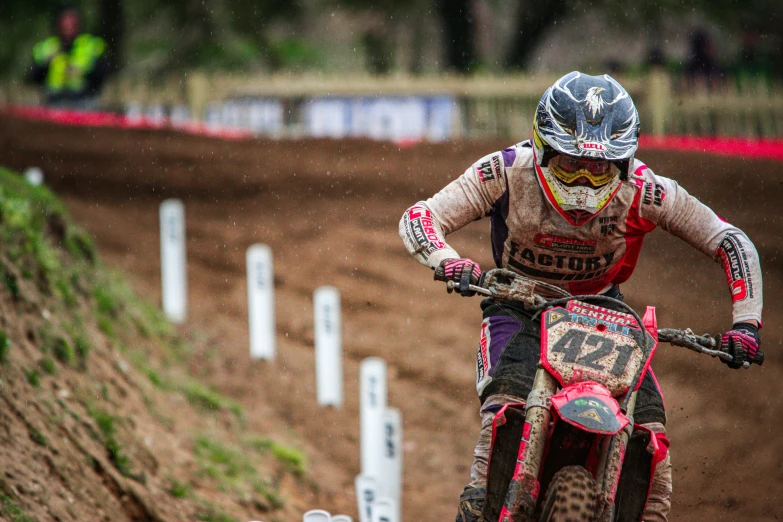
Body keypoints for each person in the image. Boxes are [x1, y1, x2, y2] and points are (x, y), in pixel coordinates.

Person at [398, 71, 763, 521]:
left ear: (624, 164)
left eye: (599, 169)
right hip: (519, 303)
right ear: (543, 149)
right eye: (571, 166)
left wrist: (746, 323)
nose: (584, 183)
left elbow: (729, 240)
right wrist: (448, 261)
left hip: (605, 312)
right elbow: (421, 216)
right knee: (505, 409)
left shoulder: (646, 189)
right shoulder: (507, 170)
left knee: (651, 439)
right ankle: (478, 504)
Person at [30, 5, 108, 109]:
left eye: (72, 24)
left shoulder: (92, 45)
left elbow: (102, 75)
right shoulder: (47, 47)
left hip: (84, 101)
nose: (68, 29)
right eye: (65, 25)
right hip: (53, 102)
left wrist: (82, 73)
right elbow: (33, 77)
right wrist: (47, 62)